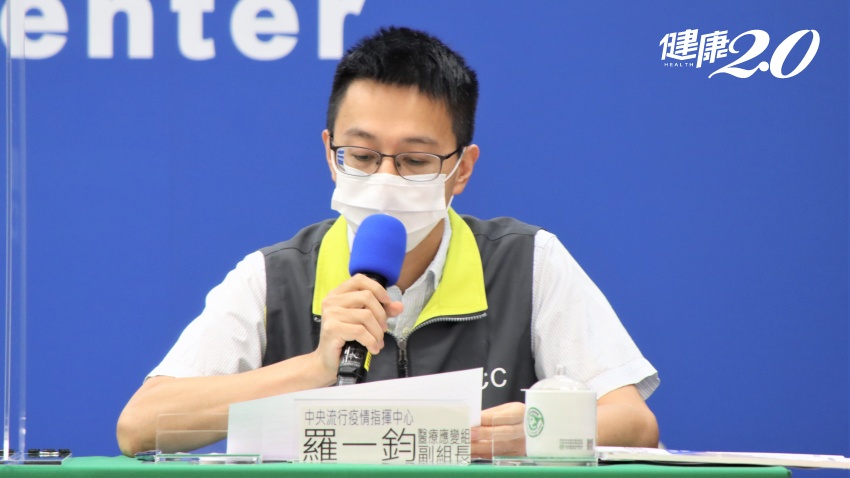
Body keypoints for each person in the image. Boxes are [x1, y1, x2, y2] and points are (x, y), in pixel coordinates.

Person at [116, 26, 660, 458]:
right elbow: (140, 425)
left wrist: (541, 430)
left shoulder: (527, 261)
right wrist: (315, 367)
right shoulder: (274, 277)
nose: (384, 179)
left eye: (415, 160)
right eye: (362, 155)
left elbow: (635, 422)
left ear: (462, 169)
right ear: (330, 153)